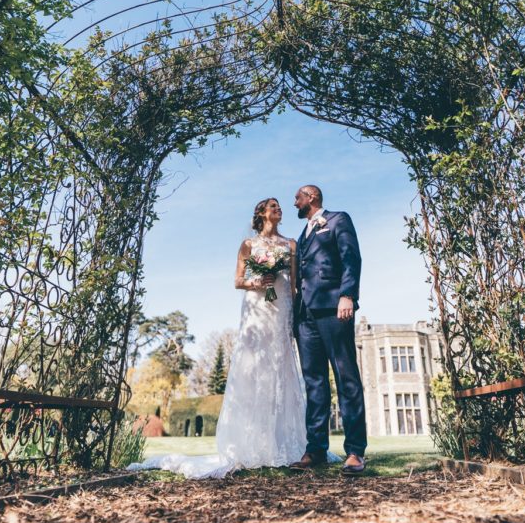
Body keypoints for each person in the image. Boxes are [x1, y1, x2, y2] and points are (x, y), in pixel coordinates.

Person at [127, 198, 312, 478]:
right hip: (256, 308)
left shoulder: (291, 245)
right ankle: (251, 443)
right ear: (261, 213)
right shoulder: (248, 245)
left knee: (281, 367)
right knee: (254, 368)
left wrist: (296, 314)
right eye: (272, 205)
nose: (279, 208)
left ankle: (283, 442)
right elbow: (237, 280)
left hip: (282, 307)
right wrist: (257, 281)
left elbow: (295, 284)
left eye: (279, 206)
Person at [289, 184, 368, 476]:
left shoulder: (337, 220)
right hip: (304, 315)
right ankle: (316, 450)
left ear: (311, 197)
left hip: (333, 307)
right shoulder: (303, 234)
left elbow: (351, 257)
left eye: (297, 197)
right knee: (314, 382)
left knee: (346, 377)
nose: (294, 202)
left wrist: (348, 295)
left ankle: (356, 451)